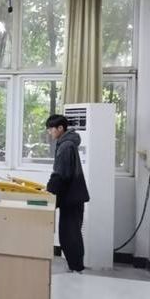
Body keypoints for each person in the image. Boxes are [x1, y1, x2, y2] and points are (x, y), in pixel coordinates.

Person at [46, 114, 90, 273]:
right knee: (70, 233)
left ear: (60, 128)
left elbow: (61, 174)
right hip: (73, 196)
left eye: (51, 129)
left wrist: (49, 192)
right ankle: (75, 267)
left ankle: (77, 269)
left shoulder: (66, 146)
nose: (49, 132)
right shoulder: (66, 143)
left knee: (69, 235)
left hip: (72, 196)